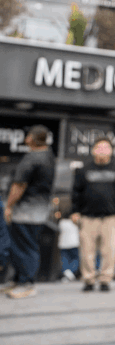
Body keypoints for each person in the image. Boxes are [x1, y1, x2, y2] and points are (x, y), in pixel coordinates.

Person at [71, 139, 115, 291]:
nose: (103, 150)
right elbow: (76, 192)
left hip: (110, 218)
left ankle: (105, 280)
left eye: (106, 147)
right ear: (93, 150)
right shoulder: (84, 169)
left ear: (111, 151)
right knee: (86, 251)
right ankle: (89, 280)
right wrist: (74, 211)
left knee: (109, 251)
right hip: (87, 217)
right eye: (99, 147)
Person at [4, 125, 56, 299]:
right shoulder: (49, 156)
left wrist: (9, 206)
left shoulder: (32, 158)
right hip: (39, 211)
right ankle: (19, 280)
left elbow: (19, 185)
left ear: (30, 139)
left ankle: (27, 283)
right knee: (25, 245)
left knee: (24, 247)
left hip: (25, 211)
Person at [57, 212, 80, 282]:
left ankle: (66, 273)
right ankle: (70, 272)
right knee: (76, 259)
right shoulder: (75, 223)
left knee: (65, 259)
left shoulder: (61, 222)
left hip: (63, 244)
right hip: (74, 244)